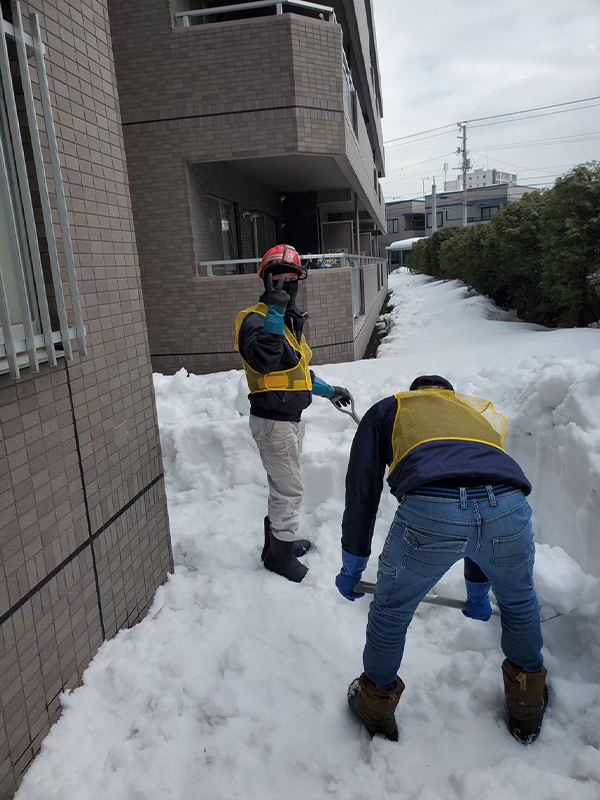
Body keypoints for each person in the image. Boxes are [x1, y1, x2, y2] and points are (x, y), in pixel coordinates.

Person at [335, 375, 547, 744]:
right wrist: (478, 594)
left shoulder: (391, 408)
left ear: (415, 394)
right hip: (509, 506)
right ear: (449, 396)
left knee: (391, 612)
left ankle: (376, 706)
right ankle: (528, 703)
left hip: (432, 509)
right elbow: (480, 502)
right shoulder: (474, 416)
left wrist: (353, 565)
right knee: (519, 602)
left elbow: (362, 489)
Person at [236, 244, 352, 583]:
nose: (287, 284)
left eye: (293, 277)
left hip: (287, 420)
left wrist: (331, 392)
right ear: (266, 280)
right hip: (273, 421)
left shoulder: (286, 322)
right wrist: (274, 312)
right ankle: (280, 558)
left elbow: (297, 373)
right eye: (279, 277)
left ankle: (275, 548)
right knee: (290, 491)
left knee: (281, 488)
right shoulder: (255, 319)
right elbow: (264, 360)